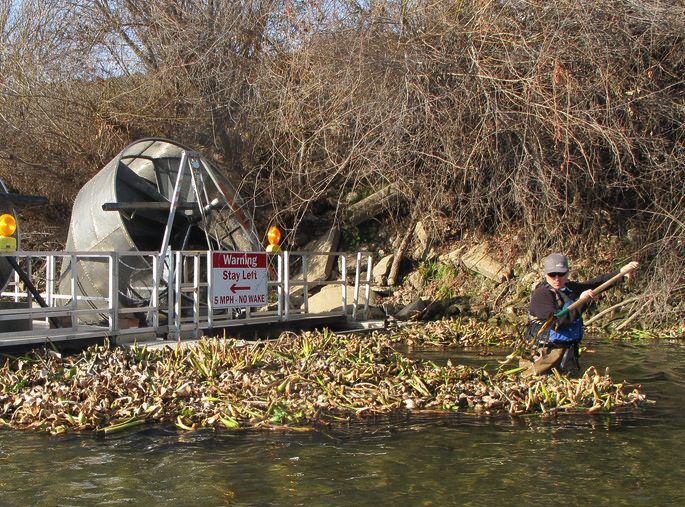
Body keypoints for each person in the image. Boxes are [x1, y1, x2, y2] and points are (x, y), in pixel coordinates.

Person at [523, 253, 639, 375]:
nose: (557, 279)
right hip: (544, 353)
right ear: (546, 274)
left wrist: (621, 273)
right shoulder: (541, 295)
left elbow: (594, 284)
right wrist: (581, 302)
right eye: (552, 275)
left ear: (567, 273)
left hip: (567, 352)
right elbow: (557, 321)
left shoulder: (569, 288)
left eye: (561, 274)